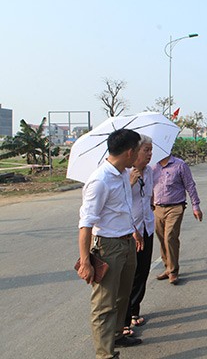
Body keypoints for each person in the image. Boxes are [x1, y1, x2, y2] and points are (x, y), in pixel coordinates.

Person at [77, 128, 143, 358]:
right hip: (109, 248)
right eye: (137, 151)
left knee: (122, 296)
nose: (139, 156)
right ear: (128, 152)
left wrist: (134, 231)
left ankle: (117, 335)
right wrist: (86, 262)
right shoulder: (100, 181)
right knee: (104, 305)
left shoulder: (124, 173)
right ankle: (105, 354)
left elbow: (122, 207)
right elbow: (85, 224)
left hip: (127, 243)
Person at [152, 154, 203, 285]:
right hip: (157, 208)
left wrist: (195, 206)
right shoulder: (152, 167)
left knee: (170, 237)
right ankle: (167, 267)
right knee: (161, 237)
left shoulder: (180, 165)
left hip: (175, 207)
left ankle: (173, 271)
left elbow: (190, 185)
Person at [123, 135, 154, 331]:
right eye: (146, 150)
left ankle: (135, 310)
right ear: (134, 152)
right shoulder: (124, 174)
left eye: (151, 150)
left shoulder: (149, 171)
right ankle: (124, 319)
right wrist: (130, 183)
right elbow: (118, 203)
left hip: (147, 227)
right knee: (128, 276)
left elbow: (148, 197)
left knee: (143, 271)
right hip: (129, 231)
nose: (150, 154)